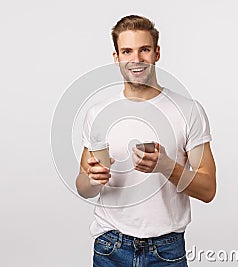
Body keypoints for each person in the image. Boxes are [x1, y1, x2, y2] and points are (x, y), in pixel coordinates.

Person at [76, 15, 216, 267]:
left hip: (167, 250)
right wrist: (92, 179)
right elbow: (83, 187)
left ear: (157, 53)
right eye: (127, 51)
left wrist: (167, 167)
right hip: (110, 247)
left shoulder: (188, 110)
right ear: (116, 57)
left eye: (144, 50)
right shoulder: (98, 113)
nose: (136, 59)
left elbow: (208, 190)